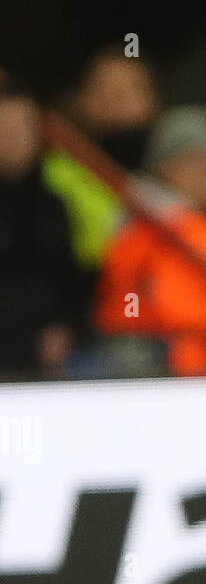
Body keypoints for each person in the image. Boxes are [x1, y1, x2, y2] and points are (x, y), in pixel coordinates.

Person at [94, 105, 206, 377]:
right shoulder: (155, 226)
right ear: (165, 167)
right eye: (195, 162)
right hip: (152, 352)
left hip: (185, 347)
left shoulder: (202, 221)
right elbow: (186, 310)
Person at [42, 50, 159, 280]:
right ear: (83, 100)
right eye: (102, 89)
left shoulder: (177, 161)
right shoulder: (56, 172)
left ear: (152, 101)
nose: (113, 99)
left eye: (126, 90)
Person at [0, 87, 86, 376]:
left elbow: (67, 277)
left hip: (43, 349)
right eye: (4, 127)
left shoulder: (54, 205)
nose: (13, 137)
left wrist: (63, 325)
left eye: (22, 127)